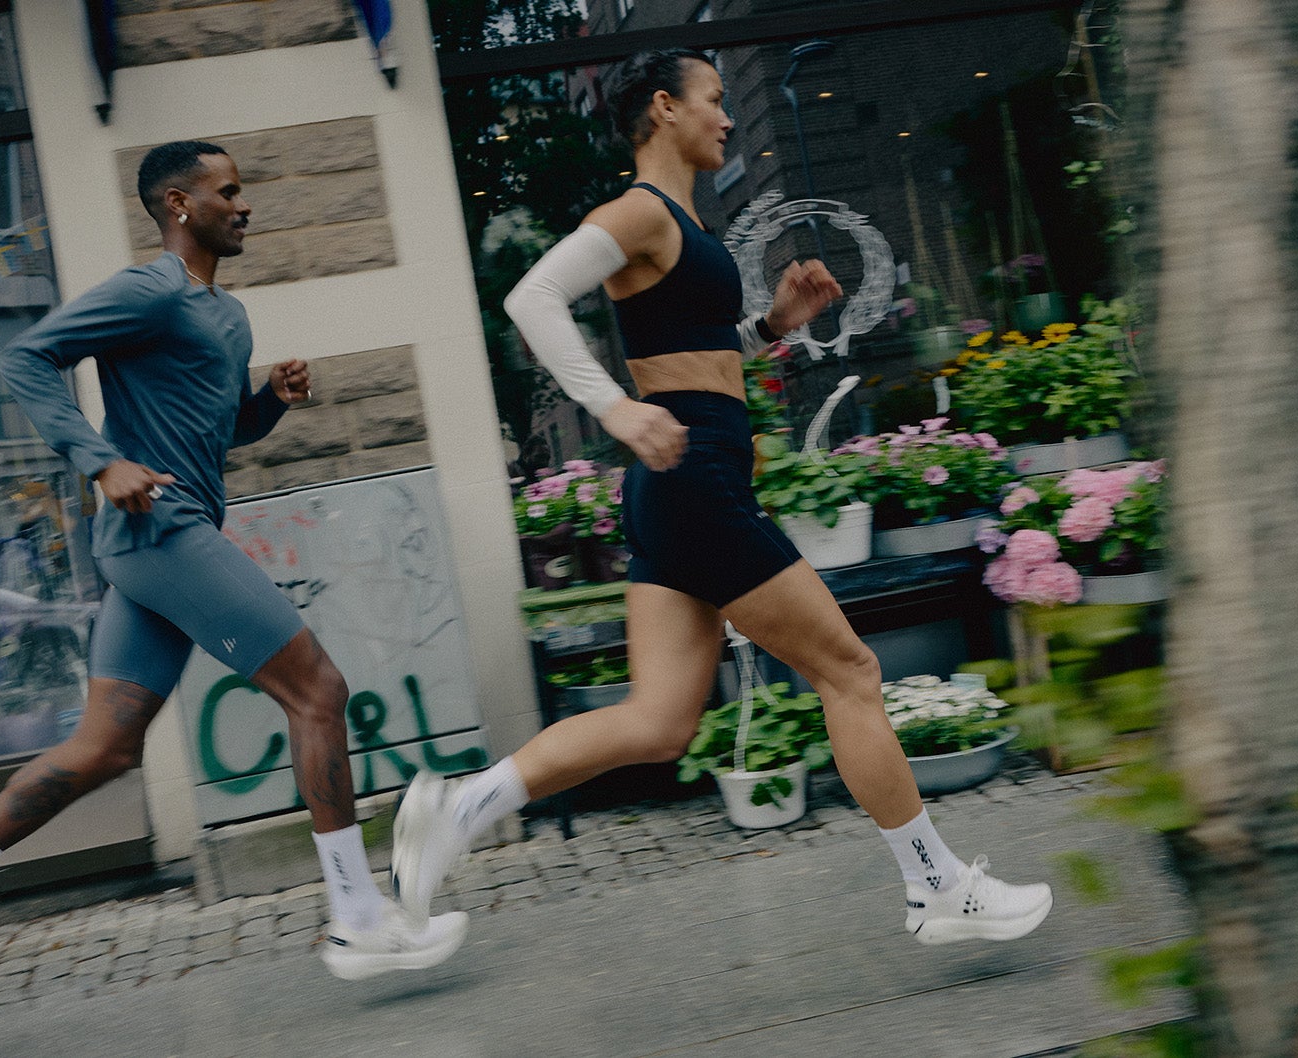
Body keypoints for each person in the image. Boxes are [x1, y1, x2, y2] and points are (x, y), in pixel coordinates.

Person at [391, 49, 1054, 950]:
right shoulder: (639, 210)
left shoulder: (683, 225)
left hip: (681, 490)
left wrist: (773, 325)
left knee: (660, 722)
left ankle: (464, 805)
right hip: (693, 481)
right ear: (664, 109)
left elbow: (691, 344)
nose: (728, 117)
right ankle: (935, 884)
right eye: (712, 99)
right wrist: (615, 407)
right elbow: (533, 295)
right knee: (851, 672)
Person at [0, 141, 462, 1006]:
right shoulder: (149, 291)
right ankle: (358, 914)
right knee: (318, 692)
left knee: (102, 749)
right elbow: (28, 358)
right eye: (229, 191)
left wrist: (268, 405)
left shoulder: (229, 315)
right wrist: (100, 461)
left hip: (168, 535)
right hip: (156, 530)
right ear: (179, 204)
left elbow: (217, 439)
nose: (245, 205)